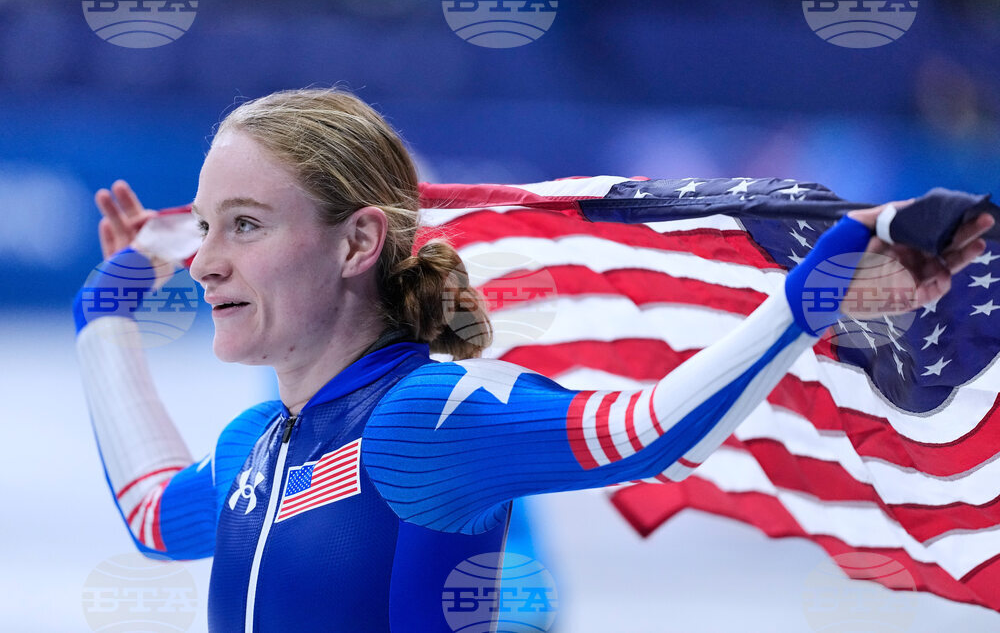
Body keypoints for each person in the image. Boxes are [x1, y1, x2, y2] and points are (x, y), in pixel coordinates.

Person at [74, 88, 993, 632]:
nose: (203, 261)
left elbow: (649, 430)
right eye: (203, 227)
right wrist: (102, 318)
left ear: (358, 243)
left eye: (243, 225)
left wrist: (808, 296)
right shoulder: (254, 446)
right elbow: (153, 515)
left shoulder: (424, 419)